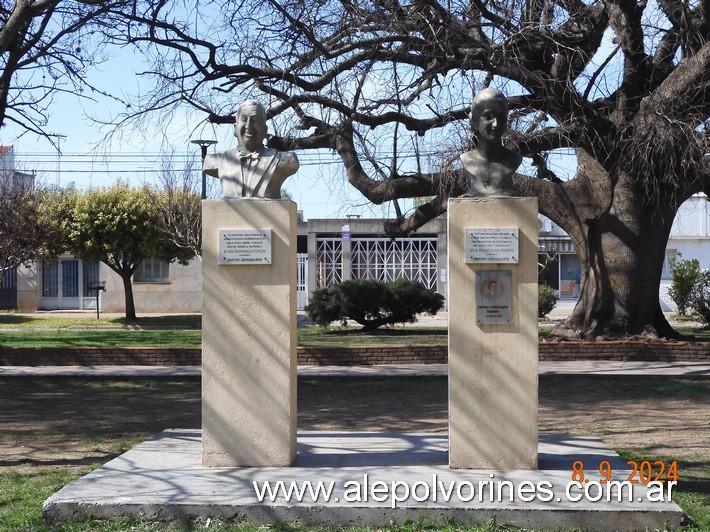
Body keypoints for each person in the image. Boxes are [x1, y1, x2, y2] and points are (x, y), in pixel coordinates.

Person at [203, 100, 299, 199]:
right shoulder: (217, 160)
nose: (249, 126)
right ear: (235, 128)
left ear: (265, 129)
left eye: (255, 120)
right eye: (244, 119)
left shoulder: (284, 160)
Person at [461, 88, 522, 197]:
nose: (496, 124)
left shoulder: (514, 160)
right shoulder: (466, 159)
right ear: (474, 120)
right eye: (489, 117)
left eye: (501, 117)